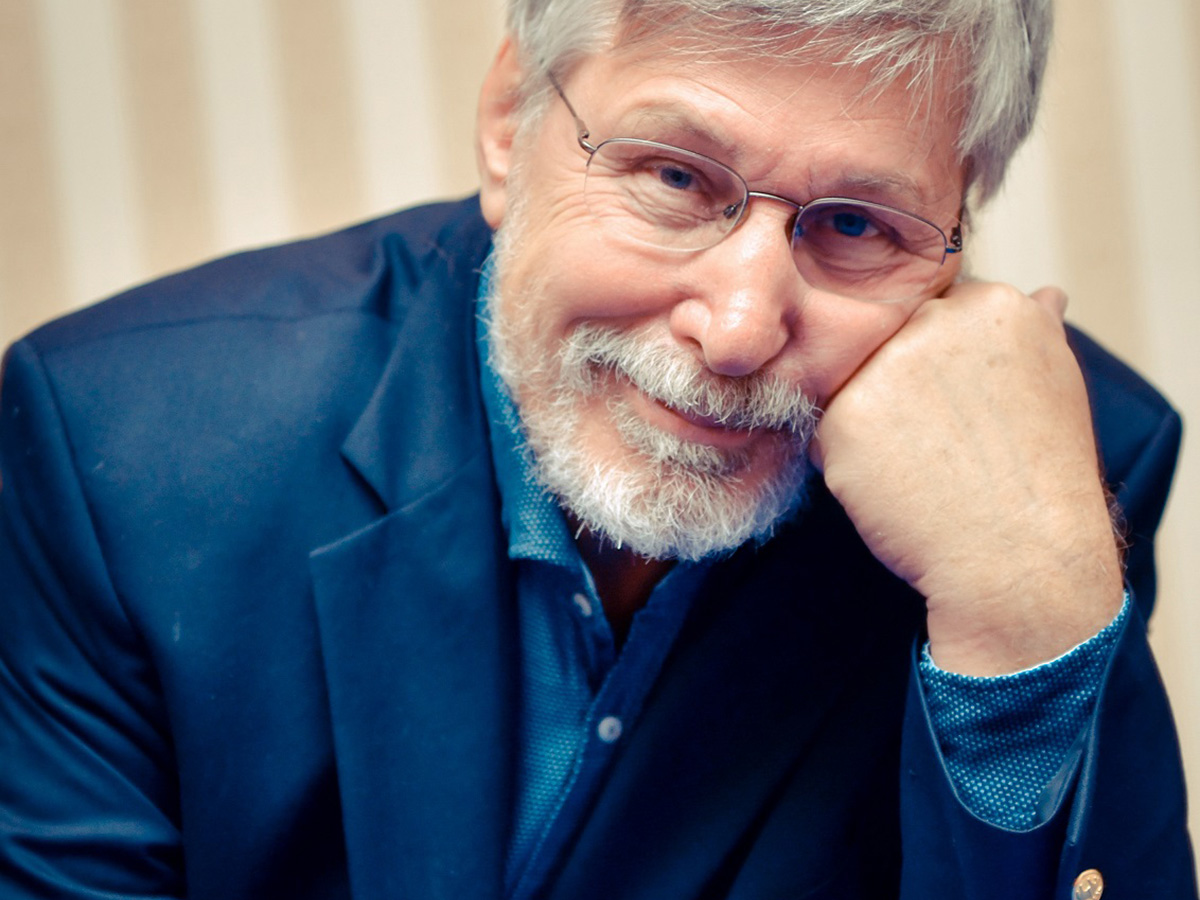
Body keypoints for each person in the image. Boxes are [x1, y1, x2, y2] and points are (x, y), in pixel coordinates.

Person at [0, 0, 1194, 897]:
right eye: (674, 176)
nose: (739, 328)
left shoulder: (1056, 483)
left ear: (955, 237)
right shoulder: (125, 442)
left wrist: (1029, 606)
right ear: (509, 123)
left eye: (853, 225)